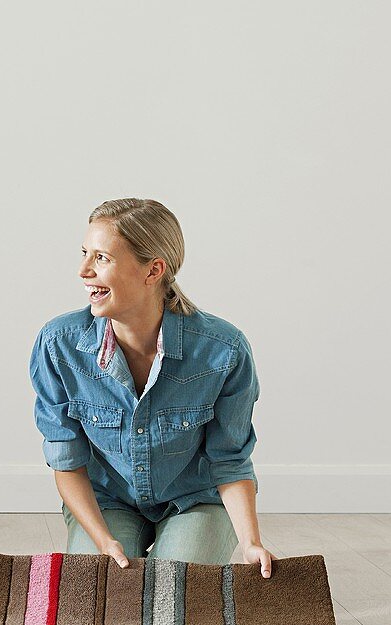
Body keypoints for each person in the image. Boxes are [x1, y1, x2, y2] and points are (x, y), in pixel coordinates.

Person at [29, 198, 275, 577]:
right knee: (101, 592)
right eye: (84, 254)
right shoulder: (58, 346)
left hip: (195, 498)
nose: (83, 270)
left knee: (171, 590)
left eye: (102, 258)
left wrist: (251, 542)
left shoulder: (223, 351)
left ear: (153, 270)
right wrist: (103, 540)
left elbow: (230, 461)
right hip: (106, 501)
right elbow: (67, 463)